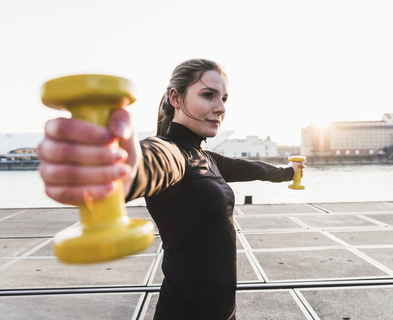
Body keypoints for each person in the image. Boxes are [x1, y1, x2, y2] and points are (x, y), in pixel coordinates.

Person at [38, 59, 304, 320]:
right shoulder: (173, 152)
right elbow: (153, 162)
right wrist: (123, 168)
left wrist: (286, 173)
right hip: (184, 313)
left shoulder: (208, 158)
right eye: (208, 95)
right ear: (175, 98)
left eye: (224, 98)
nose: (220, 107)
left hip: (226, 312)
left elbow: (252, 168)